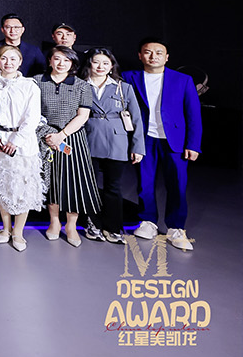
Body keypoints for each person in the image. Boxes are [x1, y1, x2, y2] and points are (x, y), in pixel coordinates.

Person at [122, 38, 202, 251]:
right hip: (144, 138)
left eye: (159, 52)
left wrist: (193, 144)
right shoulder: (129, 77)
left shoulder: (183, 80)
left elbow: (193, 114)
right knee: (145, 182)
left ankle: (176, 227)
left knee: (177, 184)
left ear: (166, 57)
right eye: (148, 52)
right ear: (140, 55)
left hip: (174, 140)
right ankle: (148, 221)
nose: (153, 56)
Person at [34, 45, 100, 247]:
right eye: (57, 59)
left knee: (74, 182)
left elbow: (83, 116)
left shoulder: (82, 85)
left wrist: (61, 135)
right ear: (49, 60)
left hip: (72, 138)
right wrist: (49, 135)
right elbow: (31, 112)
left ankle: (71, 225)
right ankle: (54, 221)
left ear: (72, 63)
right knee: (51, 181)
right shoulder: (36, 81)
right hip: (45, 136)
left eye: (66, 60)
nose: (61, 63)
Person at [79, 47, 144, 245]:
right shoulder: (80, 85)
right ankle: (92, 224)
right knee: (89, 186)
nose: (101, 66)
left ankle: (113, 228)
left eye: (105, 63)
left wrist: (138, 147)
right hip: (87, 140)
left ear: (111, 66)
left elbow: (136, 119)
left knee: (113, 187)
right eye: (96, 62)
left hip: (117, 143)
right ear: (89, 64)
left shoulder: (123, 88)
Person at [0, 45, 45, 251]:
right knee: (2, 186)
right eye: (4, 58)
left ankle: (18, 232)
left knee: (23, 188)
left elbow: (32, 117)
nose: (8, 63)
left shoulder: (30, 86)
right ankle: (5, 228)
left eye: (13, 59)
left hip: (23, 142)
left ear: (20, 62)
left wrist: (16, 141)